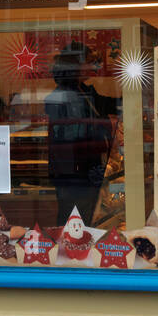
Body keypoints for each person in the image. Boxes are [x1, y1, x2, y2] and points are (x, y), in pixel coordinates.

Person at [44, 45, 112, 228]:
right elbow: (72, 138)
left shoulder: (84, 90)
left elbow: (107, 105)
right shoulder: (64, 96)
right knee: (73, 218)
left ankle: (79, 251)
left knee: (85, 215)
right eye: (90, 62)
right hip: (73, 172)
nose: (94, 66)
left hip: (85, 169)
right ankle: (70, 253)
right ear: (75, 66)